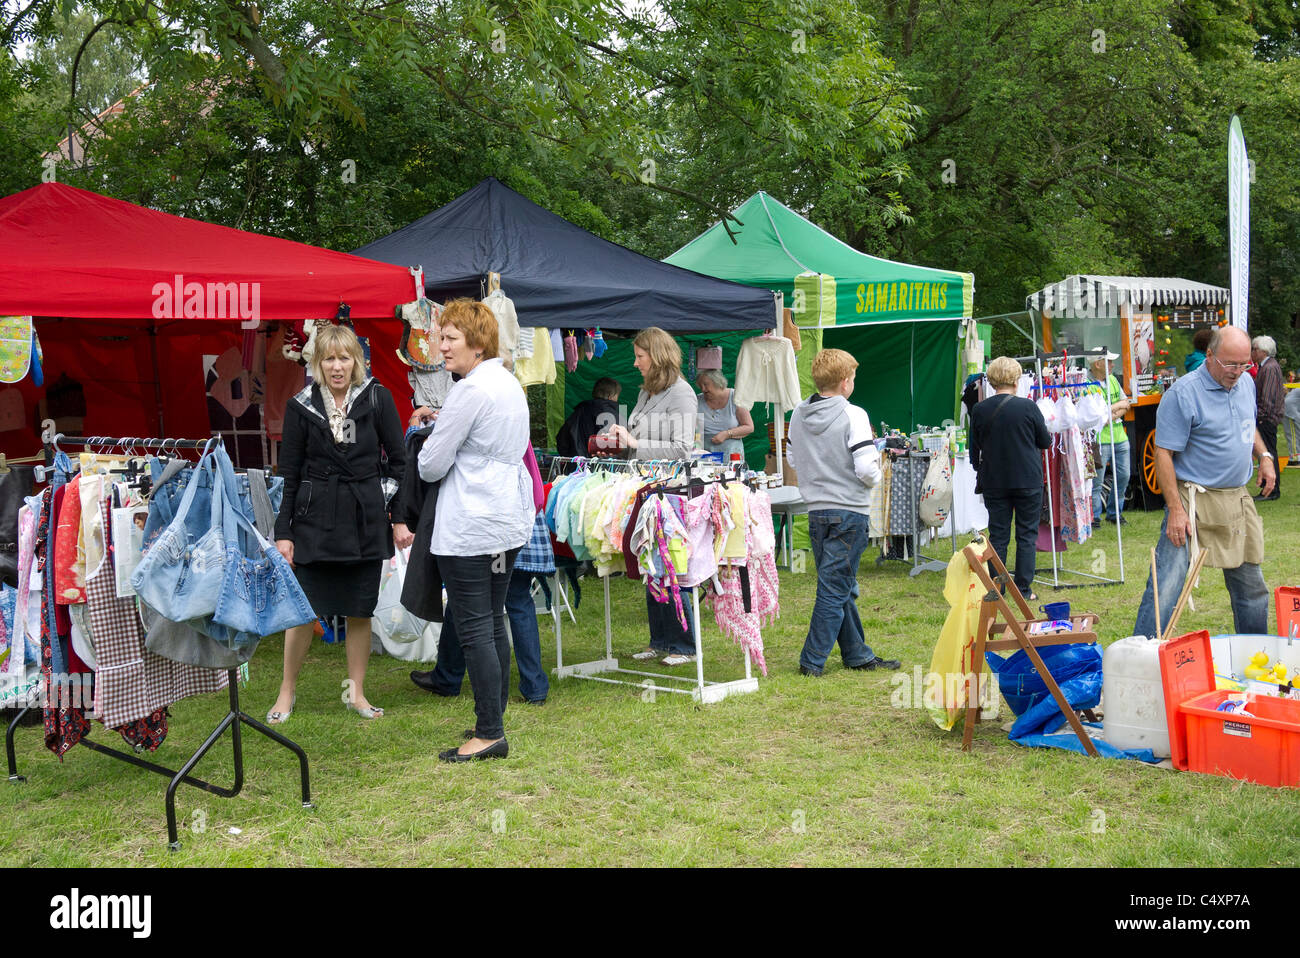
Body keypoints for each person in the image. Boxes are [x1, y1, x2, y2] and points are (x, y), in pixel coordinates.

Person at [269, 324, 411, 725]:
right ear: (317, 363)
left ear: (356, 361)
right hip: (315, 521)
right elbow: (290, 473)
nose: (337, 366)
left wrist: (396, 515)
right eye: (328, 358)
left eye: (344, 358)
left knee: (359, 609)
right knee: (303, 611)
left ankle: (357, 694)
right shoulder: (300, 406)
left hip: (364, 519)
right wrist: (284, 531)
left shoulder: (378, 398)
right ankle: (286, 691)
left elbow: (399, 462)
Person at [418, 298, 534, 761]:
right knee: (492, 620)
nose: (440, 346)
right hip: (505, 520)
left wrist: (430, 433)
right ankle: (493, 720)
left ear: (477, 342)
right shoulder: (508, 383)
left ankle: (489, 731)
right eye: (440, 337)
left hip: (472, 524)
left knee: (475, 628)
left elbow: (430, 466)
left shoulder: (469, 391)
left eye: (449, 338)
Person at [1133, 326, 1275, 639]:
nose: (1237, 372)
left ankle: (1255, 654)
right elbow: (1163, 453)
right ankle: (1140, 657)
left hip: (1235, 498)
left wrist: (1264, 456)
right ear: (1209, 356)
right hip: (1190, 500)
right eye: (1230, 364)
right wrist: (1175, 509)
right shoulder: (1183, 393)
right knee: (1166, 585)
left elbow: (1247, 426)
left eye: (1244, 364)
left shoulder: (1246, 383)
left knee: (1251, 586)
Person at [787, 348, 899, 676]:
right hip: (849, 510)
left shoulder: (797, 414)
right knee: (835, 589)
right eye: (852, 377)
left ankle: (857, 654)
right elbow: (866, 467)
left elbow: (793, 460)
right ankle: (811, 662)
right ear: (845, 381)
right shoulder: (854, 414)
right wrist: (877, 477)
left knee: (840, 585)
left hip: (817, 510)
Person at [606, 326, 699, 665]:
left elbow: (682, 450)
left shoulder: (682, 394)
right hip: (645, 488)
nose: (634, 363)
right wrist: (619, 439)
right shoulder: (647, 392)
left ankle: (684, 645)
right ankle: (660, 640)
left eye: (639, 356)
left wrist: (634, 444)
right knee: (652, 564)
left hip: (670, 493)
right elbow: (639, 438)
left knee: (670, 564)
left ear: (656, 357)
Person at [969, 356, 1051, 601]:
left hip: (995, 480)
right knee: (1027, 534)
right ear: (1016, 380)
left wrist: (980, 468)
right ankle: (1024, 589)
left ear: (992, 381)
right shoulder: (1028, 407)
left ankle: (997, 587)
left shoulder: (980, 410)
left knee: (999, 535)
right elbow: (1045, 441)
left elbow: (975, 450)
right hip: (1027, 478)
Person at [1089, 353, 1132, 524]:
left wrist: (1109, 413)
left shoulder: (1112, 379)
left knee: (1124, 476)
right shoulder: (1088, 384)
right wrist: (1116, 408)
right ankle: (1095, 517)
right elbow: (1097, 416)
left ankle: (1115, 514)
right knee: (1096, 482)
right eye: (1110, 362)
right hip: (1101, 439)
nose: (1113, 365)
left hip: (1120, 437)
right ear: (1098, 364)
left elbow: (1126, 404)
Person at [696, 369, 754, 462]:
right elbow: (695, 432)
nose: (703, 389)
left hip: (732, 456)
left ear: (717, 382)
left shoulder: (736, 397)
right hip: (705, 457)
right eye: (700, 386)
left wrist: (727, 434)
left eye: (706, 384)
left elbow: (749, 427)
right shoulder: (698, 400)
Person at [1252, 334, 1284, 500]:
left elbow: (1268, 397)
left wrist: (1262, 417)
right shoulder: (1268, 366)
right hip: (1267, 417)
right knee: (1267, 453)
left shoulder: (1270, 368)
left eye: (1254, 349)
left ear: (1263, 351)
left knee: (1268, 453)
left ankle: (1271, 490)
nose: (1252, 352)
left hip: (1266, 419)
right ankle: (1268, 489)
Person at [556, 377, 621, 458]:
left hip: (578, 465)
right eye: (617, 395)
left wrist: (571, 458)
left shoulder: (578, 412)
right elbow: (617, 446)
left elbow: (562, 439)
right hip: (603, 467)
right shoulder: (612, 415)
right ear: (611, 396)